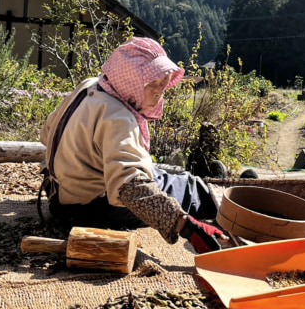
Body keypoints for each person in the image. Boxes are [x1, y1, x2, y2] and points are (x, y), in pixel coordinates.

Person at [39, 37, 228, 253]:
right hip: (87, 208)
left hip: (56, 191)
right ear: (130, 80)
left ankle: (201, 181)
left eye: (163, 82)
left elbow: (47, 132)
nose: (160, 91)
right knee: (185, 189)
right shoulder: (118, 117)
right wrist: (187, 227)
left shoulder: (91, 85)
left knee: (162, 172)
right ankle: (226, 206)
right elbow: (129, 189)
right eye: (153, 83)